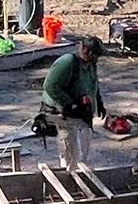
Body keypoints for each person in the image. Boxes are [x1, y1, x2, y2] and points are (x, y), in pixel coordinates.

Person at [39, 35, 106, 170]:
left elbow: (93, 83)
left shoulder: (91, 64)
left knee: (83, 150)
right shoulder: (68, 62)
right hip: (62, 112)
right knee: (71, 151)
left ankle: (79, 172)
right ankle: (69, 176)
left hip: (81, 113)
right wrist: (70, 104)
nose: (96, 59)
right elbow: (50, 85)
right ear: (88, 52)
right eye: (95, 56)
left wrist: (98, 101)